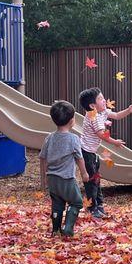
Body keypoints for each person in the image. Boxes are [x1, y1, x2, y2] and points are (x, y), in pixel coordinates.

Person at [79, 87, 132, 218]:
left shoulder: (102, 112)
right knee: (91, 180)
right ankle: (92, 207)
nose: (104, 100)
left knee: (96, 178)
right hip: (86, 152)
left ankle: (99, 205)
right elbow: (101, 135)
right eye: (100, 98)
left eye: (103, 97)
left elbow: (116, 115)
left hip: (92, 152)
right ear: (92, 105)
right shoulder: (92, 116)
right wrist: (115, 142)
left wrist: (129, 110)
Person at [39, 101, 89, 237]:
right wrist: (84, 173)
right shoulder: (73, 139)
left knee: (57, 204)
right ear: (72, 120)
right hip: (66, 179)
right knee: (77, 202)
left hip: (52, 179)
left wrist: (43, 179)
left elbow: (42, 158)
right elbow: (79, 158)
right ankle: (68, 228)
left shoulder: (49, 138)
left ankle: (55, 230)